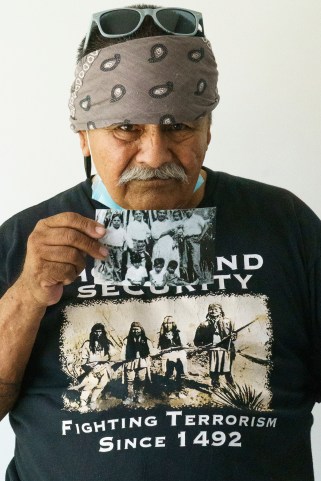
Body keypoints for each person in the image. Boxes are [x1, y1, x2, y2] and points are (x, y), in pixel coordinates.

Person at [0, 5, 320, 481]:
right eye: (126, 128)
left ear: (208, 129)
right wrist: (27, 295)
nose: (153, 154)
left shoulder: (285, 224)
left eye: (178, 128)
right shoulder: (25, 239)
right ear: (84, 137)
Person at [68, 323, 115, 412]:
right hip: (92, 368)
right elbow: (84, 358)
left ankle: (92, 401)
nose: (98, 334)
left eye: (100, 332)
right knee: (90, 385)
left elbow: (113, 354)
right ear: (92, 333)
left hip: (105, 367)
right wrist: (86, 369)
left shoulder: (107, 343)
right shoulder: (87, 343)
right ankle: (83, 404)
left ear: (103, 332)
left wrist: (108, 363)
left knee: (101, 386)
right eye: (96, 332)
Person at [194, 303, 236, 390]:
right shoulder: (204, 324)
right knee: (214, 369)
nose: (213, 311)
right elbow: (197, 339)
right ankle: (215, 386)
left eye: (216, 309)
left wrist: (233, 336)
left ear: (221, 311)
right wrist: (201, 346)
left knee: (227, 370)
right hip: (213, 349)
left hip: (226, 349)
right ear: (208, 311)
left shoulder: (228, 321)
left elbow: (234, 335)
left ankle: (231, 387)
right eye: (211, 309)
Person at [120, 321, 153, 404]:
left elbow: (152, 351)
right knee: (130, 379)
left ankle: (140, 394)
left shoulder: (146, 340)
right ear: (131, 330)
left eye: (137, 329)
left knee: (142, 378)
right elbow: (123, 353)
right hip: (130, 362)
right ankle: (130, 395)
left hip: (142, 361)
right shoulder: (126, 340)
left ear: (141, 329)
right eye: (133, 329)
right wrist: (123, 360)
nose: (135, 331)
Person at [158, 316, 187, 397]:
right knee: (169, 372)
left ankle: (181, 390)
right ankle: (171, 390)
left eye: (170, 323)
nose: (168, 325)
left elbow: (184, 345)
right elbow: (155, 347)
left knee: (180, 372)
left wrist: (180, 348)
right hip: (167, 355)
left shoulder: (179, 333)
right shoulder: (160, 335)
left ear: (173, 324)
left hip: (179, 354)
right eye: (166, 323)